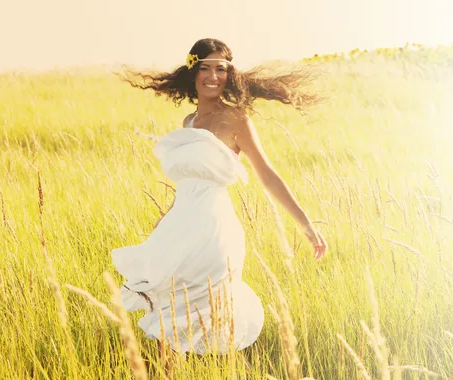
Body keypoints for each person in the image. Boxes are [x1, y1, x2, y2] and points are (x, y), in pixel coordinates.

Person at [111, 38, 327, 355]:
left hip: (213, 231)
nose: (213, 76)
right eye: (206, 68)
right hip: (178, 229)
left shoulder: (236, 118)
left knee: (205, 313)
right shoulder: (189, 122)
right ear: (192, 72)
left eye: (221, 69)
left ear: (230, 75)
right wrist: (164, 223)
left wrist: (307, 227)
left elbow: (267, 174)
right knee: (167, 316)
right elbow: (187, 185)